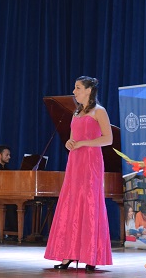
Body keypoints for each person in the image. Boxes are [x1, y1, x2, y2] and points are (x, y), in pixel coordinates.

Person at [44, 76, 113, 272]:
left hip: (91, 162)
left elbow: (107, 139)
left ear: (89, 90)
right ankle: (68, 255)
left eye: (78, 88)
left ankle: (91, 255)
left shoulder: (100, 111)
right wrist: (70, 142)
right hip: (75, 162)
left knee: (90, 204)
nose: (74, 91)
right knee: (71, 204)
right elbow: (73, 138)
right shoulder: (76, 113)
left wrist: (84, 143)